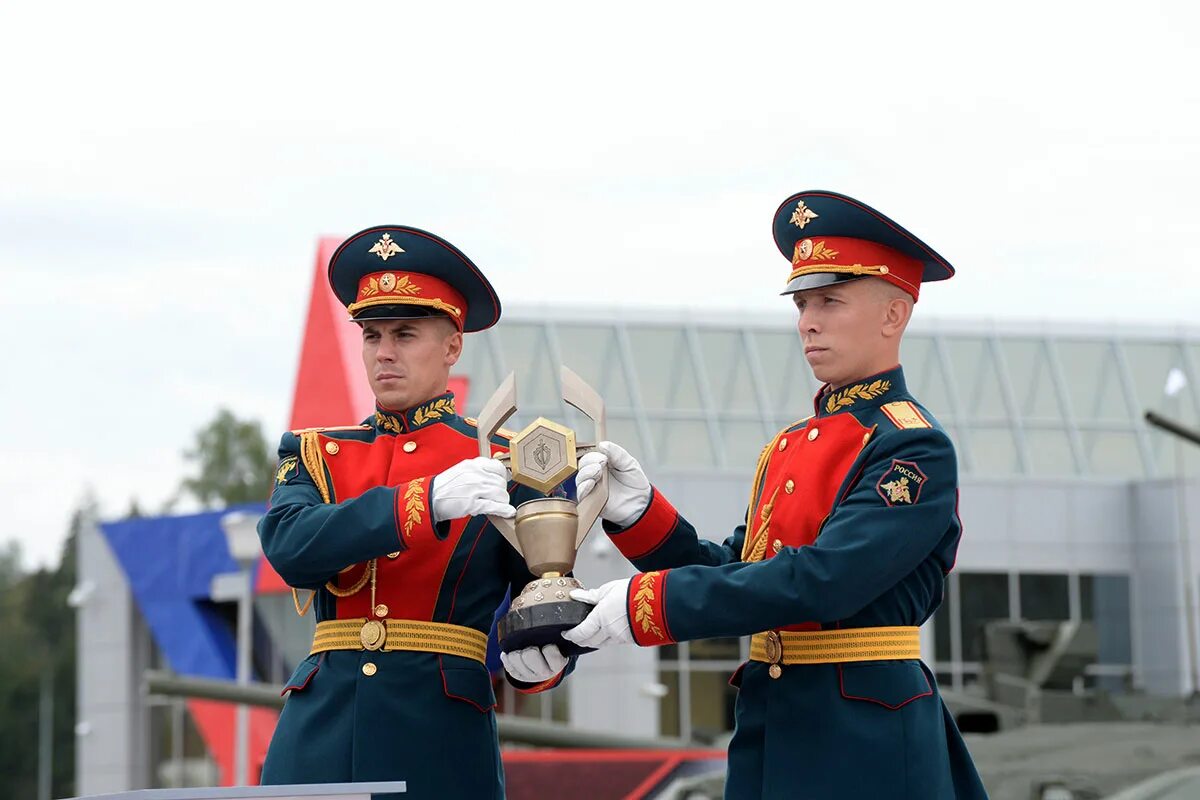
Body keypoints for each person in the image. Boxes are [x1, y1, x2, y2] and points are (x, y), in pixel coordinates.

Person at [563, 191, 988, 799]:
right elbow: (743, 573)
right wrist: (639, 515)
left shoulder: (911, 447)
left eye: (830, 301)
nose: (808, 321)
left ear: (894, 315)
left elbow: (823, 580)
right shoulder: (791, 445)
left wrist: (642, 605)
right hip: (775, 721)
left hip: (863, 736)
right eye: (803, 303)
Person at [258, 225, 572, 798]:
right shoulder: (315, 452)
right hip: (320, 736)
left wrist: (548, 656)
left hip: (440, 741)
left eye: (405, 334)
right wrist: (421, 503)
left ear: (453, 345)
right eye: (372, 334)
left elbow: (544, 599)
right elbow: (289, 547)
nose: (384, 352)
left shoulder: (509, 462)